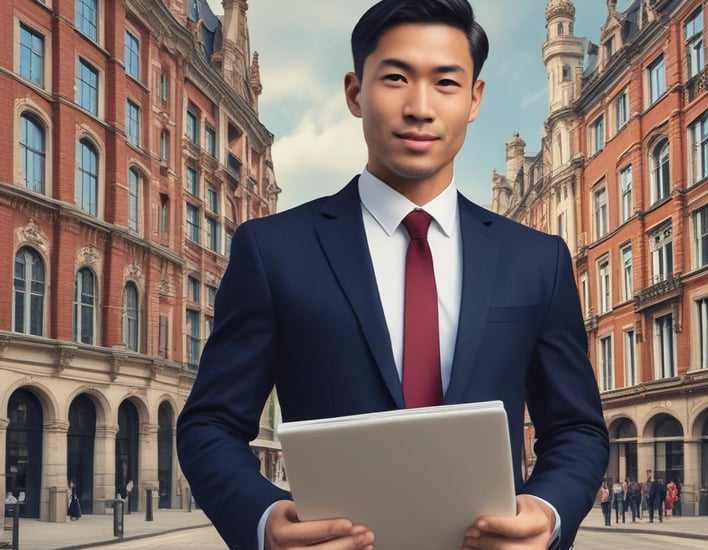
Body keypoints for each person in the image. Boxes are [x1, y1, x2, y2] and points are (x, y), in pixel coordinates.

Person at [176, 1, 609, 549]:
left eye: (446, 82)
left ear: (474, 98)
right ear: (356, 92)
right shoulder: (273, 250)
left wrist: (548, 515)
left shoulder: (537, 259)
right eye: (397, 78)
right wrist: (263, 524)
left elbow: (576, 429)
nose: (420, 107)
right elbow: (208, 424)